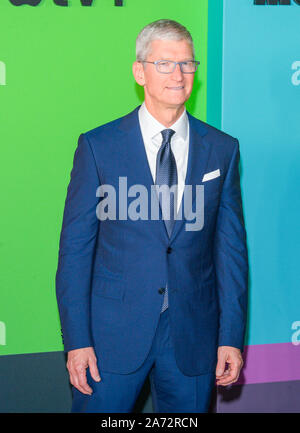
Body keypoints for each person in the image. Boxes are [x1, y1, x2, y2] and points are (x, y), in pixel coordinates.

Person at [55, 19, 248, 413]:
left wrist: (230, 337)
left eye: (187, 64)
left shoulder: (222, 150)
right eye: (165, 63)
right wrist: (77, 341)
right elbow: (74, 252)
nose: (178, 75)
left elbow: (230, 253)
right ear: (140, 71)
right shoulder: (98, 147)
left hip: (193, 337)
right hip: (111, 338)